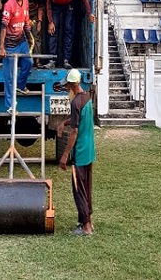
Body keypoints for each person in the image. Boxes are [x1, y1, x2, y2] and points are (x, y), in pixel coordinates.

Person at [57, 68, 96, 236]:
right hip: (89, 150)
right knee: (86, 186)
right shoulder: (86, 97)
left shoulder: (75, 103)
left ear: (72, 85)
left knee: (78, 189)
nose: (67, 89)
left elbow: (75, 132)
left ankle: (86, 227)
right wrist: (64, 123)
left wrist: (65, 155)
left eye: (67, 86)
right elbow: (78, 119)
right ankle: (89, 221)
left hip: (79, 152)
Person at [45, 0, 95, 69]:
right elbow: (48, 3)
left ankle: (66, 60)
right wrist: (50, 21)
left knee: (68, 30)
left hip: (68, 5)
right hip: (55, 6)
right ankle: (51, 60)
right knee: (52, 31)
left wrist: (89, 13)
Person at [0, 0, 34, 114]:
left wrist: (29, 37)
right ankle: (10, 106)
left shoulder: (25, 1)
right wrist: (1, 47)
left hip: (21, 41)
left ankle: (20, 85)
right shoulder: (9, 5)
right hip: (9, 45)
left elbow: (26, 22)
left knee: (29, 62)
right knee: (9, 77)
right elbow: (3, 26)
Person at [25, 0, 46, 68]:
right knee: (25, 36)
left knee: (36, 36)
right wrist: (26, 20)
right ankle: (25, 60)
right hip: (24, 13)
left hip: (36, 13)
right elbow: (21, 6)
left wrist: (39, 22)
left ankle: (37, 60)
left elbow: (41, 7)